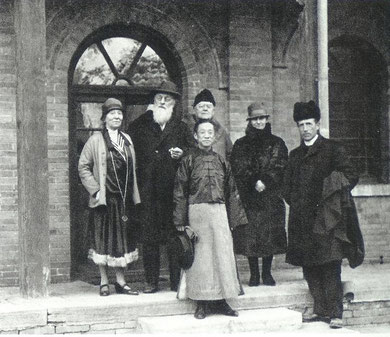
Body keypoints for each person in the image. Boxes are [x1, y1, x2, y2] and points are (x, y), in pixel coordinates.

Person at [283, 101, 360, 329]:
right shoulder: (295, 155)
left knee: (330, 265)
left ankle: (335, 312)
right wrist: (296, 203)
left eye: (308, 123)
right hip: (302, 220)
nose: (305, 128)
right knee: (310, 266)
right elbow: (286, 186)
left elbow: (351, 175)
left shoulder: (333, 149)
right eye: (301, 125)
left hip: (328, 220)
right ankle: (320, 310)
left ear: (318, 124)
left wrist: (330, 197)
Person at [173, 119, 247, 320]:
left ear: (214, 136)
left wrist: (234, 219)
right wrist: (180, 222)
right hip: (197, 213)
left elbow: (231, 190)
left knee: (222, 256)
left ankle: (222, 300)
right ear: (195, 136)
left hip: (219, 213)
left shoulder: (222, 161)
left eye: (210, 132)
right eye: (202, 132)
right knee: (202, 259)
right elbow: (180, 191)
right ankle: (202, 303)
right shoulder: (188, 160)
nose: (206, 135)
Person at [128, 80, 195, 293]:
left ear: (174, 103)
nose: (163, 101)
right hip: (147, 191)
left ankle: (175, 281)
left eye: (168, 99)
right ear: (154, 101)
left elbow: (192, 153)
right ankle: (151, 281)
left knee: (174, 238)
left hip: (172, 193)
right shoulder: (138, 126)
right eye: (159, 98)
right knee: (149, 238)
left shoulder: (181, 127)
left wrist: (182, 153)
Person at [78, 98, 140, 296]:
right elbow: (83, 167)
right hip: (105, 200)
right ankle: (104, 281)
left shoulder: (127, 139)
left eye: (119, 113)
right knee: (103, 240)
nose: (117, 117)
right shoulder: (95, 140)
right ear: (104, 118)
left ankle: (121, 282)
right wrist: (95, 190)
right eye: (112, 113)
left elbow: (133, 168)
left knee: (122, 240)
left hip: (124, 200)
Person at [231, 102, 288, 286]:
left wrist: (266, 180)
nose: (259, 122)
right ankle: (254, 274)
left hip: (270, 197)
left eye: (261, 118)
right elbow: (239, 167)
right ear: (250, 121)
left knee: (269, 235)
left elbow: (279, 165)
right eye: (255, 119)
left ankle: (267, 273)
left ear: (266, 120)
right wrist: (254, 181)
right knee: (251, 236)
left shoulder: (277, 143)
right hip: (250, 198)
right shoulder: (241, 144)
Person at [190, 89, 233, 160]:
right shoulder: (183, 129)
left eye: (208, 106)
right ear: (194, 109)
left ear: (213, 111)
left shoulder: (221, 132)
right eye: (201, 106)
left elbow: (230, 155)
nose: (205, 109)